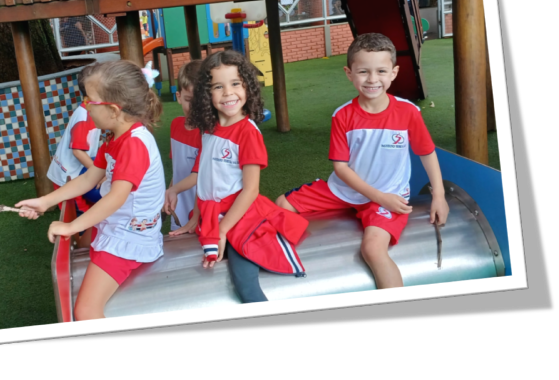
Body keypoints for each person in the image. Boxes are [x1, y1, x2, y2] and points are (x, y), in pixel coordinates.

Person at [275, 33, 449, 289]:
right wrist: (377, 197)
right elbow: (340, 168)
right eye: (363, 71)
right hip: (343, 191)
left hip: (389, 194)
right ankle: (295, 265)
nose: (372, 79)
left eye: (381, 71)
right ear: (349, 73)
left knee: (373, 250)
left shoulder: (408, 112)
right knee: (281, 203)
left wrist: (439, 196)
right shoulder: (342, 115)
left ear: (394, 73)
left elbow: (427, 152)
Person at [16, 60, 165, 320]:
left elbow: (116, 198)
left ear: (113, 110)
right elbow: (87, 179)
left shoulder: (134, 144)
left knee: (85, 312)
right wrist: (45, 201)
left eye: (89, 101)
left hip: (129, 239)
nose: (85, 106)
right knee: (85, 246)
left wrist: (71, 226)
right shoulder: (115, 137)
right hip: (117, 226)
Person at [170, 50, 308, 303]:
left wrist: (222, 230)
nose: (228, 93)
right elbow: (205, 179)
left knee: (244, 283)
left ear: (248, 87)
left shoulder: (247, 133)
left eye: (235, 83)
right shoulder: (209, 128)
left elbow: (251, 190)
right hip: (213, 214)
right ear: (206, 94)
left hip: (242, 217)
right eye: (218, 87)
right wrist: (196, 218)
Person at [46, 68, 103, 248]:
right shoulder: (85, 116)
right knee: (81, 216)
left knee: (87, 212)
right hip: (68, 175)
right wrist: (98, 173)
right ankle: (80, 248)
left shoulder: (90, 111)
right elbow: (78, 151)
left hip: (75, 172)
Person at [163, 59, 203, 230]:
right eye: (189, 100)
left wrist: (172, 191)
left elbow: (199, 175)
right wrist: (170, 192)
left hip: (201, 206)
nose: (195, 107)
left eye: (201, 101)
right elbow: (177, 168)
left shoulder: (209, 134)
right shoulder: (175, 125)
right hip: (179, 202)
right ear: (179, 97)